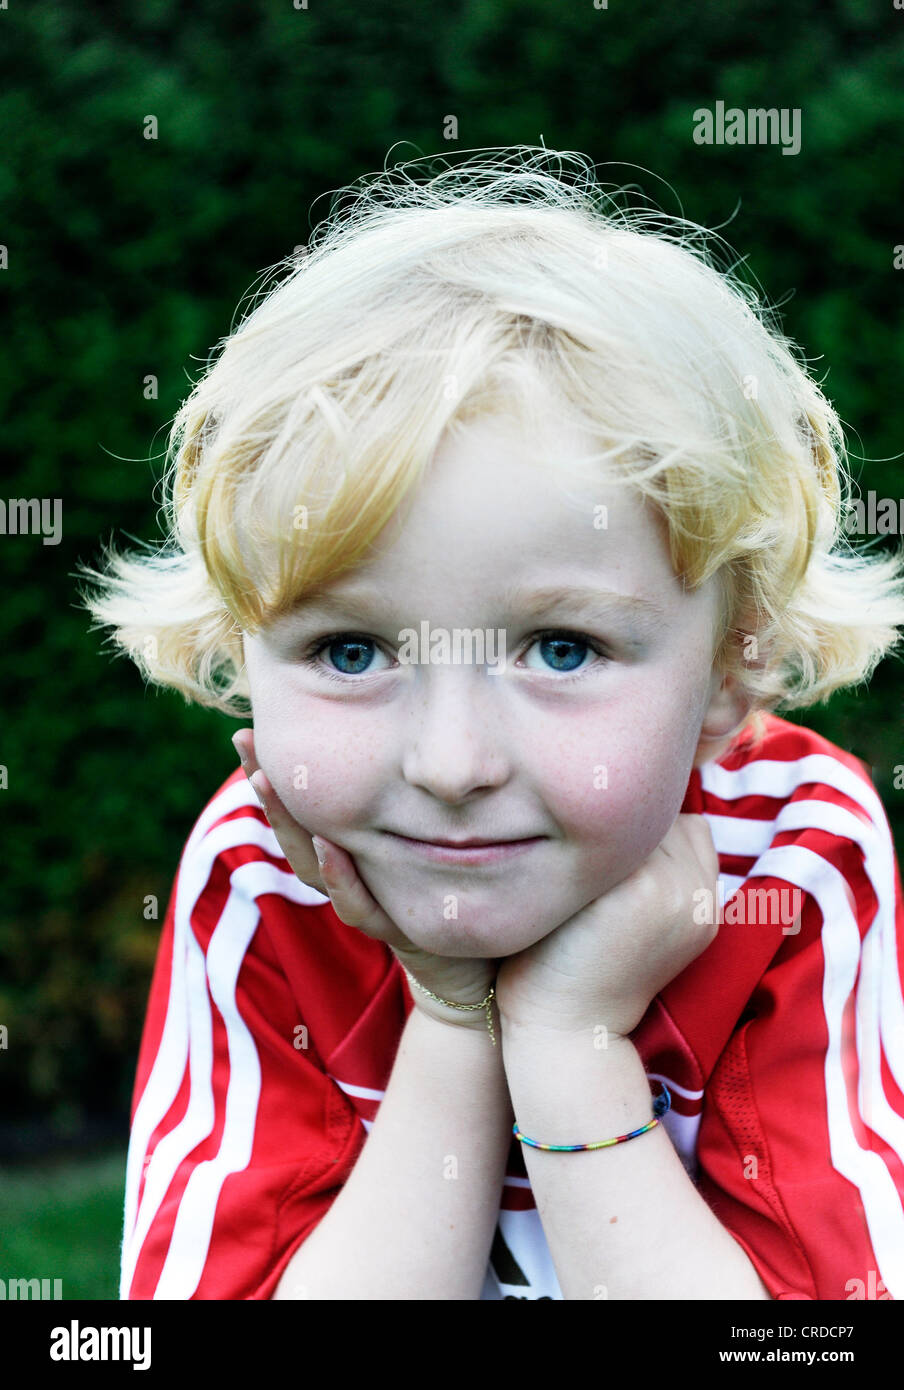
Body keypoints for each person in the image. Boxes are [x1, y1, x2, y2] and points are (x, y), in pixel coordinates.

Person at [78, 146, 904, 1300]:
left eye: (562, 648)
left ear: (730, 668)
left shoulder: (795, 853)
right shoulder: (263, 875)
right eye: (350, 651)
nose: (451, 765)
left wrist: (575, 1049)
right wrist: (452, 1024)